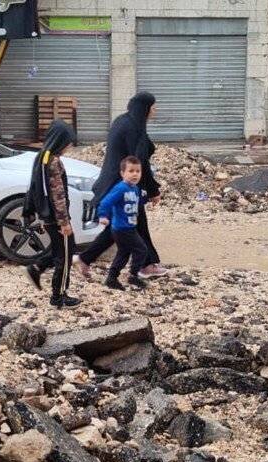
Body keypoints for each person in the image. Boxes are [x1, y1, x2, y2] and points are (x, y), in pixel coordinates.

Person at [74, 91, 168, 280]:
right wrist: (153, 190)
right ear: (145, 108)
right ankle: (145, 266)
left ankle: (85, 259)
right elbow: (139, 162)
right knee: (136, 224)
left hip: (114, 182)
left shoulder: (123, 121)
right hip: (123, 186)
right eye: (153, 106)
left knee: (121, 227)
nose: (155, 110)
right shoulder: (134, 128)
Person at [22, 120, 80, 309]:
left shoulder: (42, 156)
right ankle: (59, 297)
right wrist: (64, 222)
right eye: (68, 142)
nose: (70, 146)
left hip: (48, 217)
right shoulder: (53, 161)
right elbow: (58, 195)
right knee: (66, 255)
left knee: (60, 252)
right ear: (60, 141)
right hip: (57, 219)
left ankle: (37, 268)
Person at [97, 156, 149, 291]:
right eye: (131, 171)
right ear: (122, 173)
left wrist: (145, 198)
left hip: (129, 227)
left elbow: (135, 203)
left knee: (123, 253)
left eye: (138, 171)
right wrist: (103, 215)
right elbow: (106, 202)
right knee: (141, 249)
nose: (135, 174)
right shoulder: (120, 188)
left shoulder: (135, 189)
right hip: (122, 228)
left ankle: (112, 278)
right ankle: (133, 275)